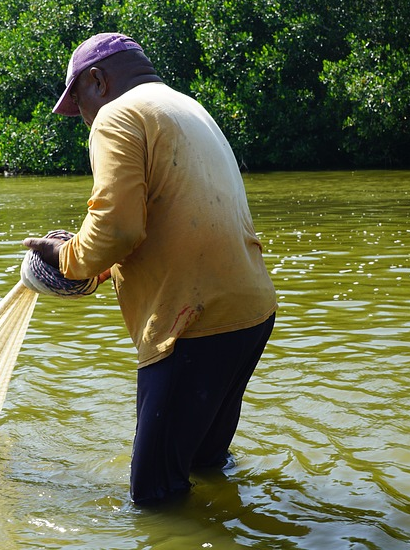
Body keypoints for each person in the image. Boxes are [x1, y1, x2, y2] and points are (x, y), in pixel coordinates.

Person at [23, 32, 277, 506]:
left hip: (192, 324)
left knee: (154, 500)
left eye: (77, 104)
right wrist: (96, 266)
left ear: (97, 81)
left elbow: (117, 231)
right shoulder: (185, 106)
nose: (81, 119)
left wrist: (69, 261)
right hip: (251, 314)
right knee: (205, 464)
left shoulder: (116, 117)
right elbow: (164, 219)